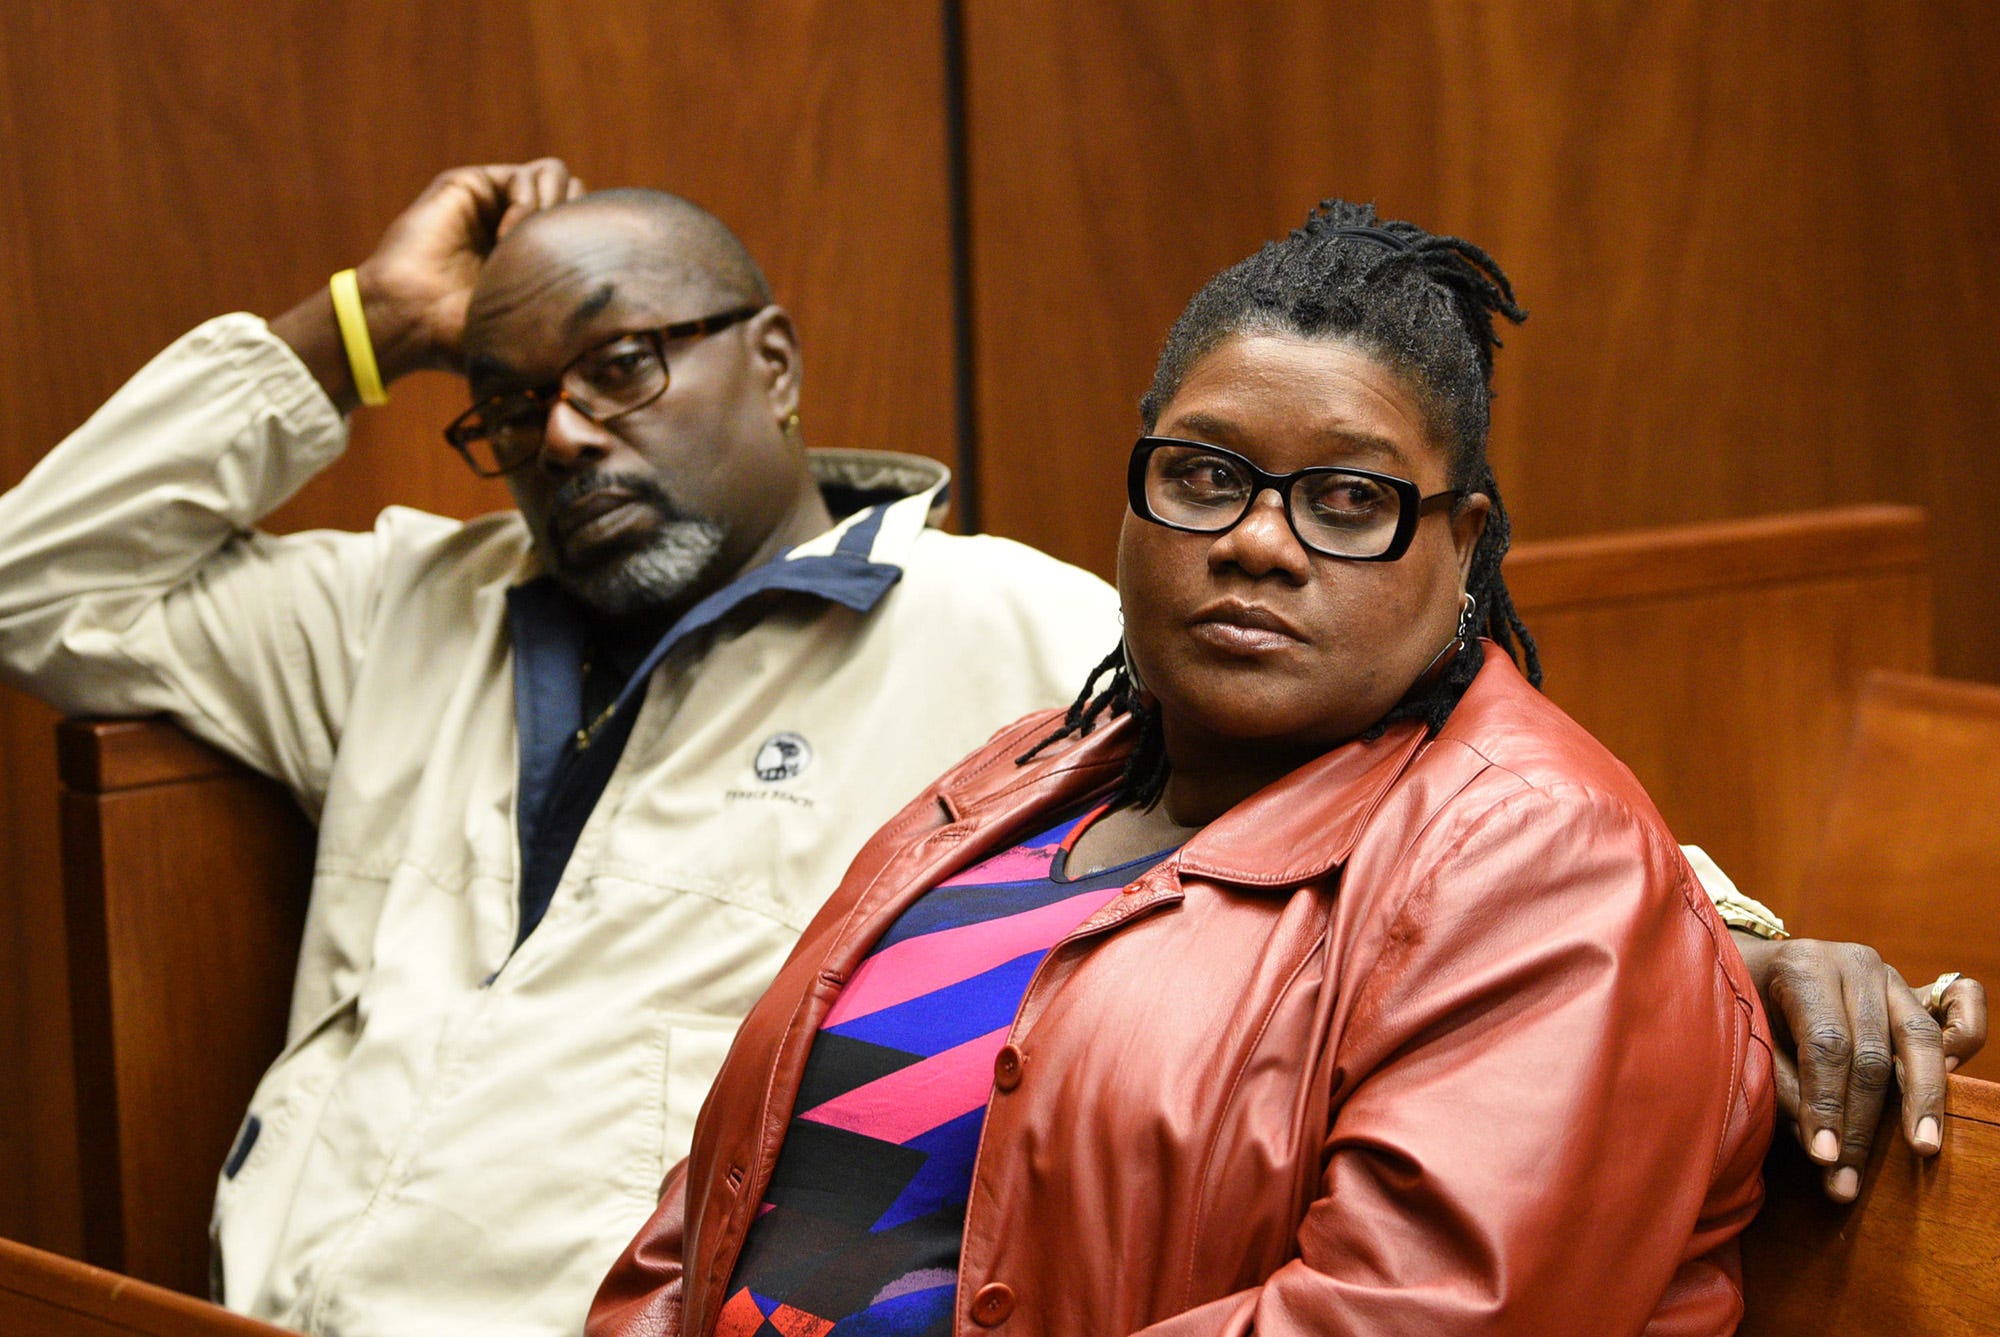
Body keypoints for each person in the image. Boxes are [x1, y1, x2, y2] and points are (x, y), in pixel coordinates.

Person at [0, 163, 1978, 1334]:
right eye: (508, 405)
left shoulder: (1006, 634)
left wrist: (1751, 952)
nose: (570, 437)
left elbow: (1528, 863)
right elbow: (35, 589)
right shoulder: (407, 615)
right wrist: (355, 324)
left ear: (768, 363)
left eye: (623, 367)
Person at [585, 203, 1979, 1337]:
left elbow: (1404, 1316)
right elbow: (707, 1204)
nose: (1258, 541)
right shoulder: (1025, 773)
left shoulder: (1535, 855)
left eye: (1349, 500)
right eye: (1204, 476)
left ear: (1466, 546)